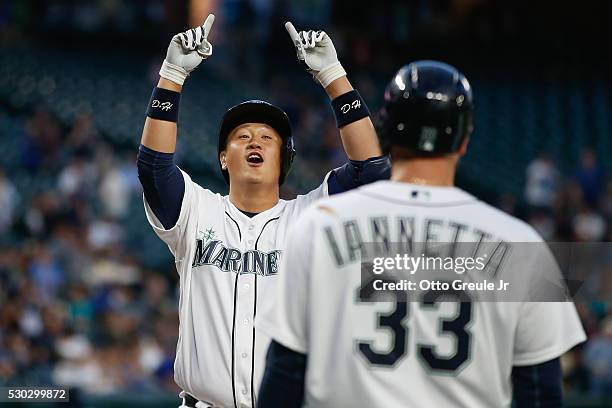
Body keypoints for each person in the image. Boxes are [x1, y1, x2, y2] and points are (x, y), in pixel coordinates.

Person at [257, 61, 586, 407]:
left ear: (387, 130)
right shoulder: (522, 244)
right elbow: (539, 392)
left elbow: (285, 374)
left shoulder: (318, 227)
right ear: (464, 140)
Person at [137, 14, 390, 408]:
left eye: (267, 137)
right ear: (223, 158)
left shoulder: (310, 217)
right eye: (242, 136)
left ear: (283, 158)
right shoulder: (196, 212)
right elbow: (154, 167)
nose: (254, 139)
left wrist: (334, 75)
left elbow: (371, 171)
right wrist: (171, 75)